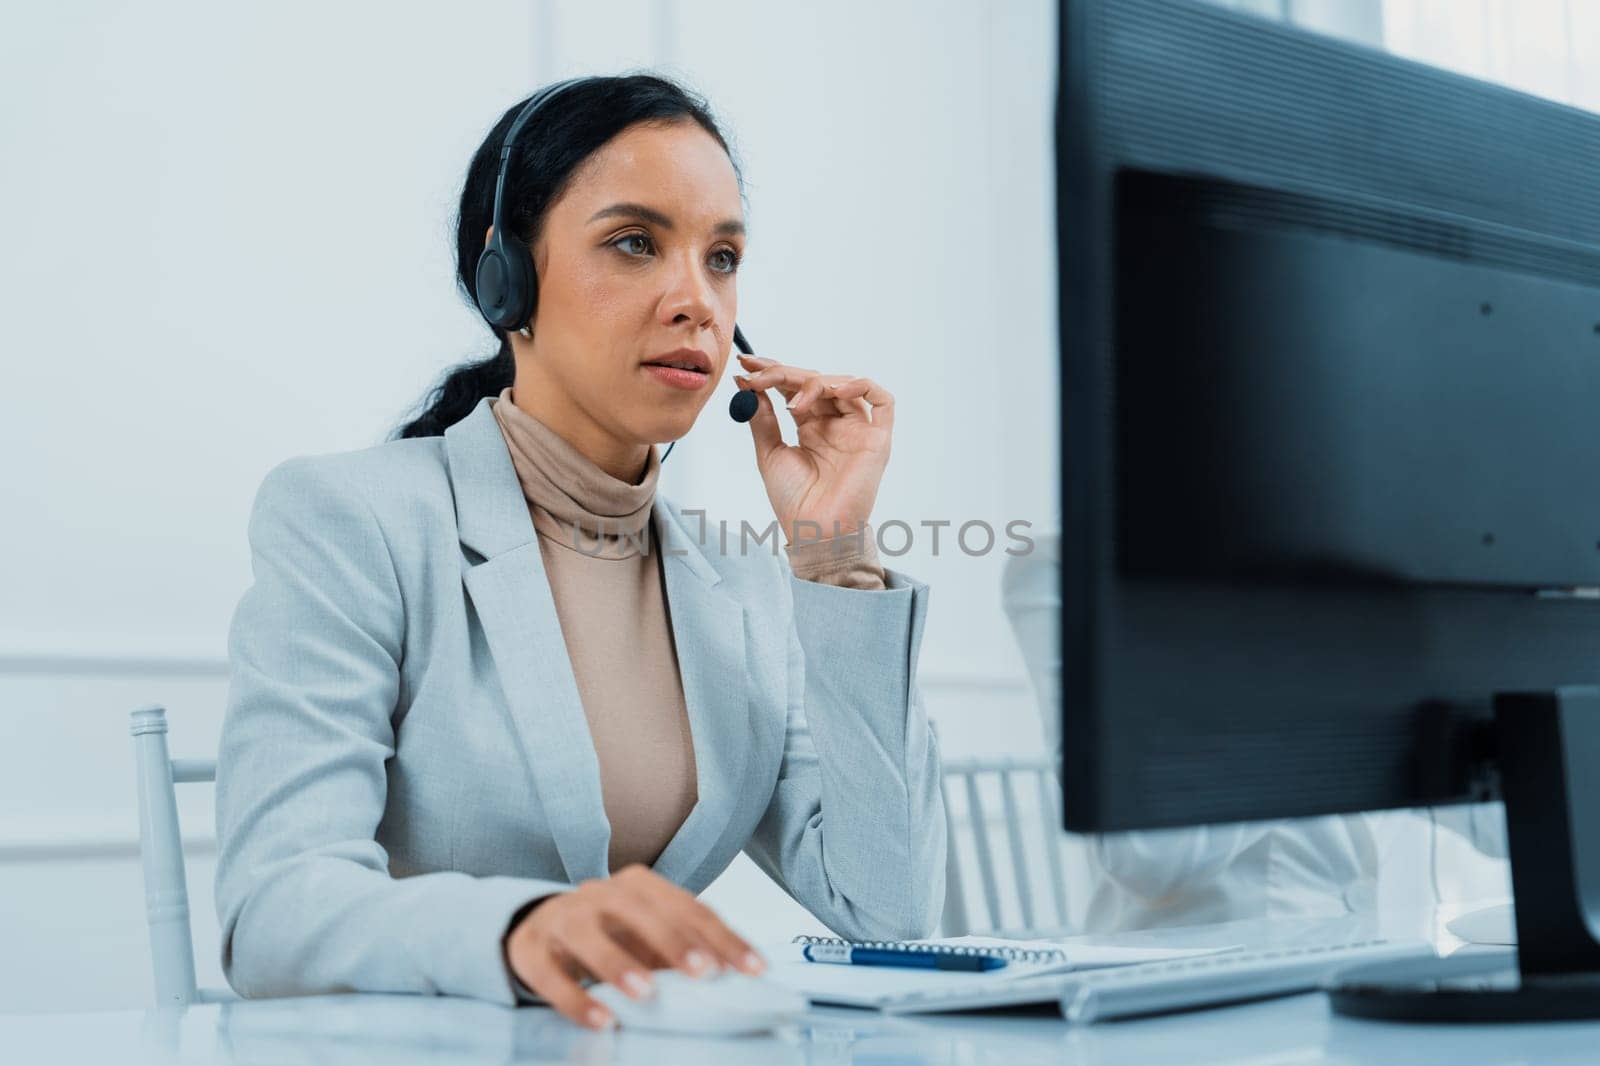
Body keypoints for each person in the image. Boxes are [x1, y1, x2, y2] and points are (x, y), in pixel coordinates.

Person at [213, 74, 945, 1031]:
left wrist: (833, 557)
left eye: (722, 258)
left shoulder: (743, 581)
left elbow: (889, 913)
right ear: (504, 278)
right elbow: (270, 909)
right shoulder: (352, 518)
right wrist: (527, 928)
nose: (698, 302)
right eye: (635, 243)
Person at [1000, 533, 1505, 932]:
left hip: (1387, 983)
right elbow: (1146, 856)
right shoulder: (1062, 569)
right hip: (1200, 1002)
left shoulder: (1400, 571)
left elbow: (1506, 829)